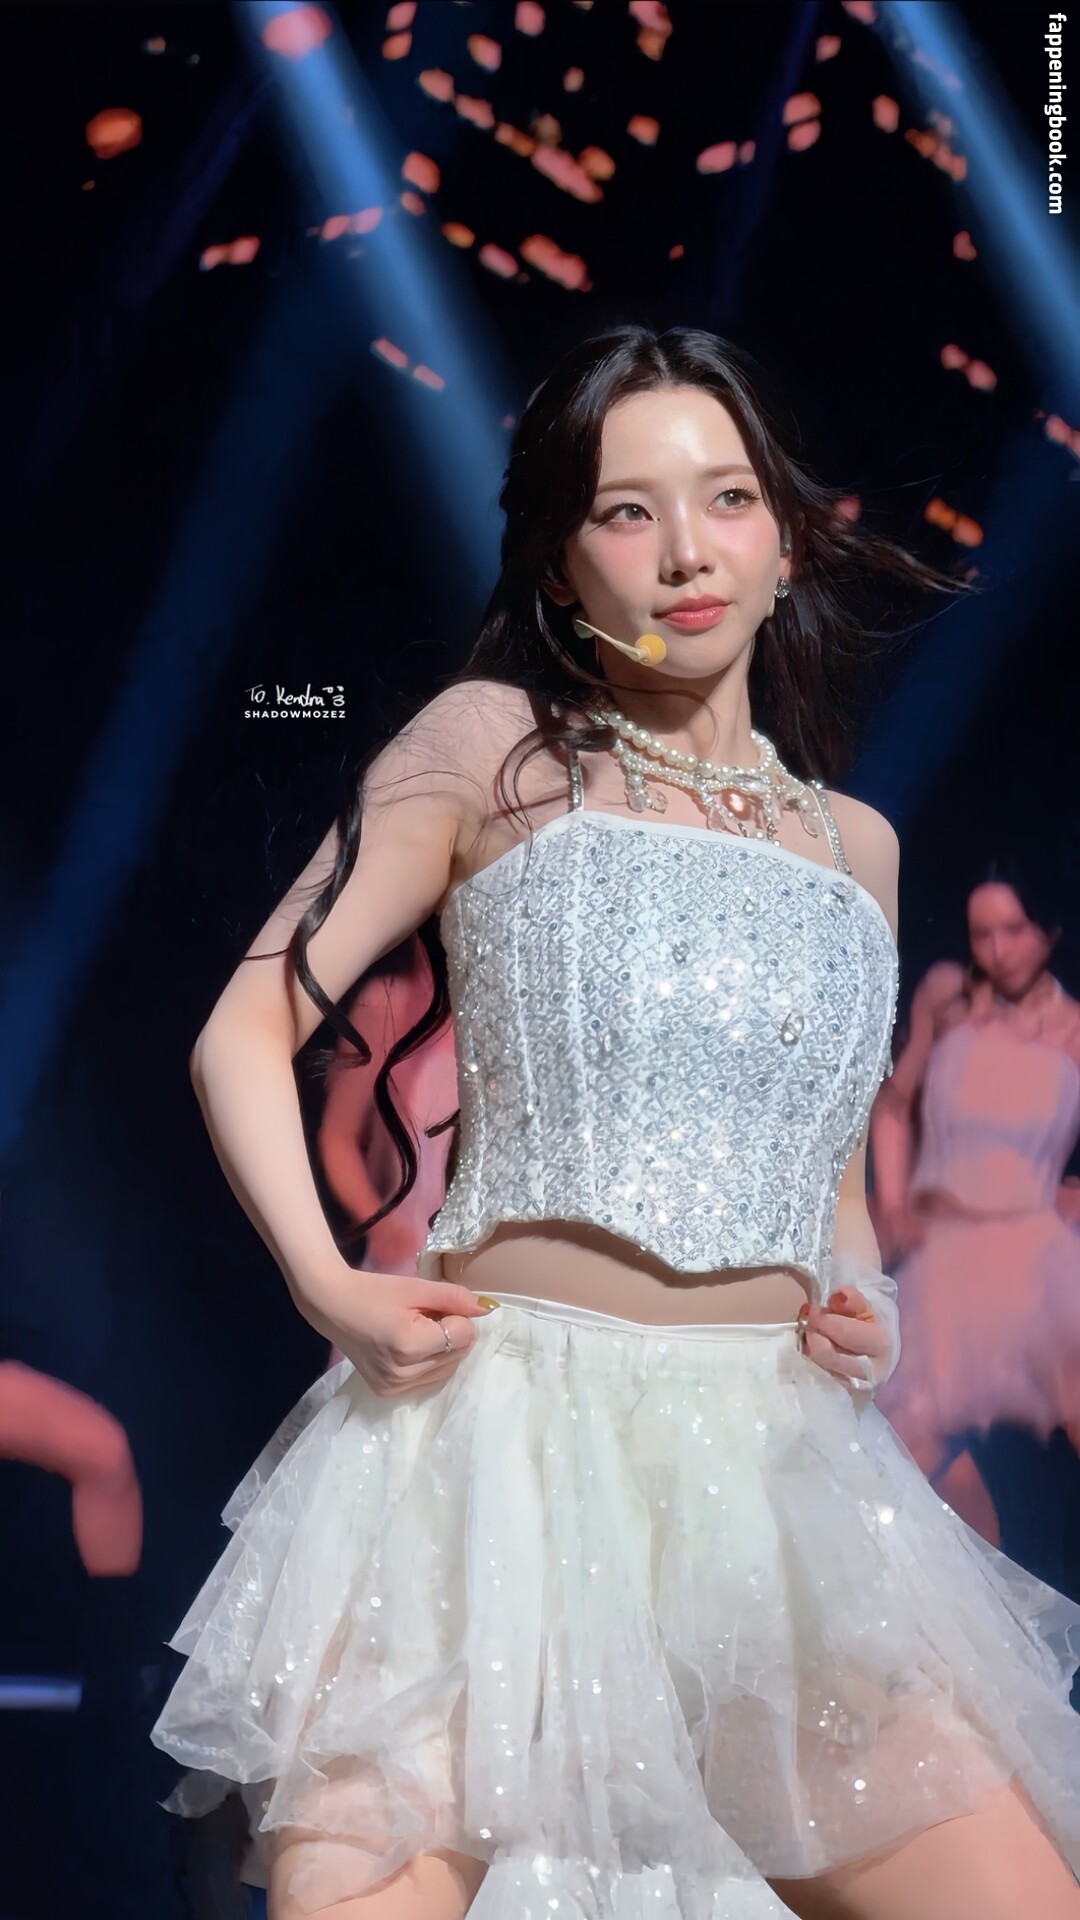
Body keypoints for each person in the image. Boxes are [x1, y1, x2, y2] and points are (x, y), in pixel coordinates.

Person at [152, 326, 1080, 1920]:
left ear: (787, 542)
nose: (686, 552)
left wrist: (865, 1295)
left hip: (772, 1487)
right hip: (490, 1459)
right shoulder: (488, 751)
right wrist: (328, 1283)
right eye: (626, 510)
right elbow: (243, 1028)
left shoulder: (855, 847)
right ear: (563, 562)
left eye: (726, 499)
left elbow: (830, 1173)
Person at [871, 864, 1080, 1546]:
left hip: (1034, 1252)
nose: (997, 950)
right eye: (981, 933)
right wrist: (893, 1201)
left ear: (1049, 930)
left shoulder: (1074, 1030)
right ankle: (983, 1595)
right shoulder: (948, 997)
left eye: (1013, 931)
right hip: (942, 1251)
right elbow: (894, 1104)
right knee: (902, 1434)